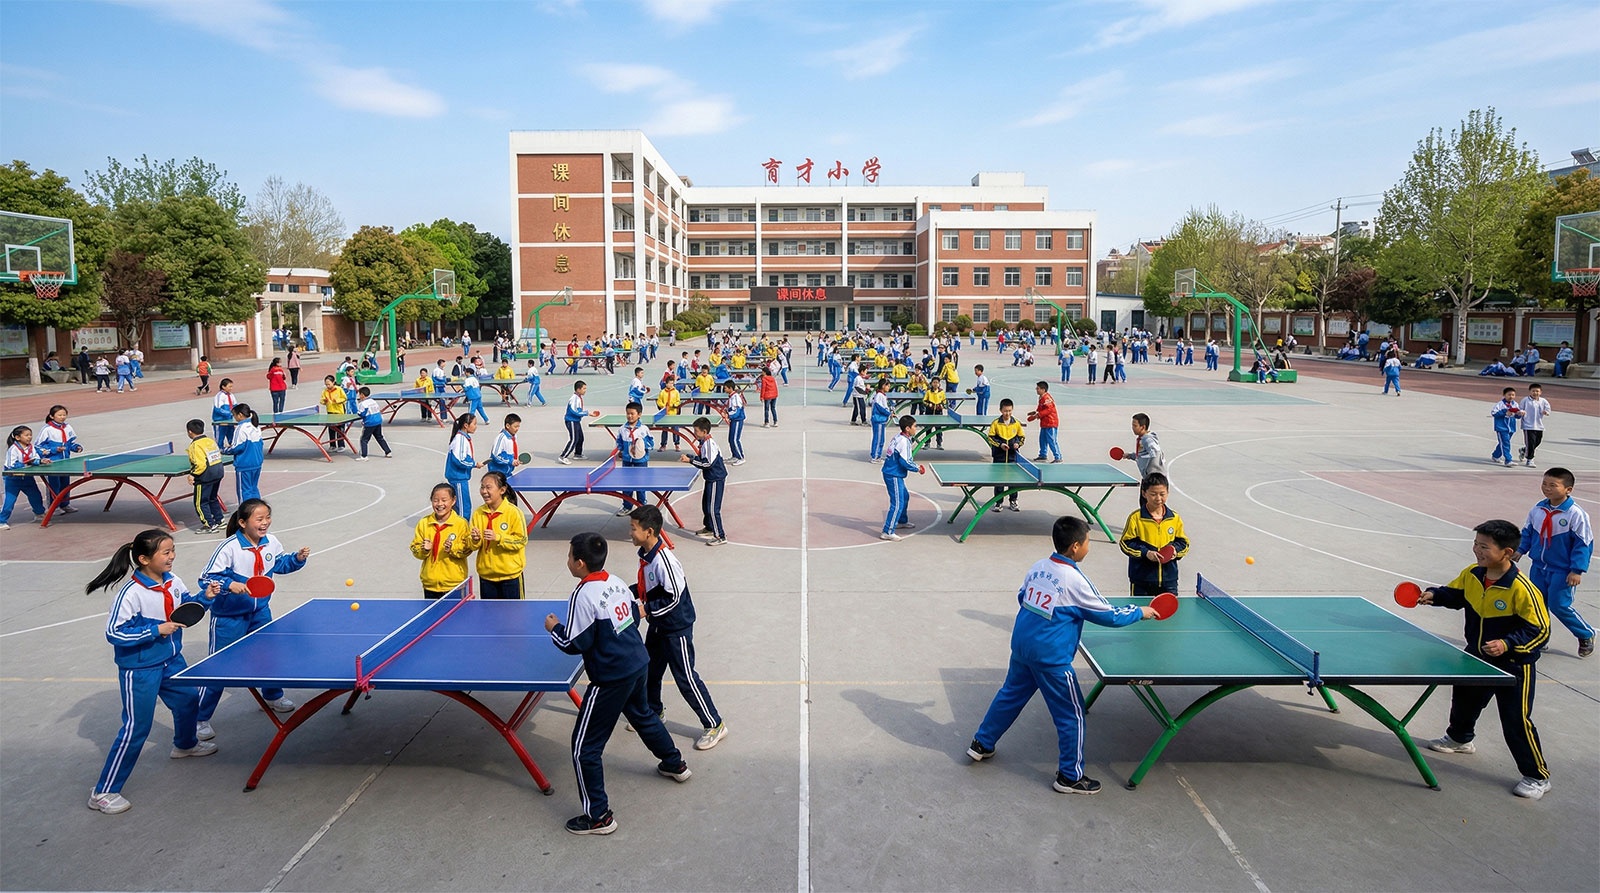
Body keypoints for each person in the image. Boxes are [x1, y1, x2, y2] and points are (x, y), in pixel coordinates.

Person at [966, 515, 1158, 794]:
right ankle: (1069, 776)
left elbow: (1023, 597)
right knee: (1073, 715)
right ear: (1076, 547)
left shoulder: (1039, 566)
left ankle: (981, 743)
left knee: (1009, 696)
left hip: (1022, 647)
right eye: (1088, 542)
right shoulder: (1075, 580)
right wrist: (1140, 612)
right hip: (1051, 658)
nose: (1089, 546)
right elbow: (1108, 616)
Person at [545, 531, 691, 835]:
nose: (568, 560)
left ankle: (598, 816)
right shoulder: (616, 583)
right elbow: (631, 621)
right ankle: (674, 763)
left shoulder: (582, 595)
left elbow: (575, 642)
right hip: (638, 664)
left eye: (570, 555)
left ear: (580, 563)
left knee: (585, 748)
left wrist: (554, 627)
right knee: (644, 716)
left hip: (610, 678)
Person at [85, 529, 221, 814]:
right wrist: (154, 630)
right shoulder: (131, 594)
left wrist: (205, 597)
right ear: (144, 559)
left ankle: (184, 745)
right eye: (166, 552)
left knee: (187, 702)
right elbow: (115, 633)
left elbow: (187, 608)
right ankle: (103, 791)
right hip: (140, 669)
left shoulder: (173, 582)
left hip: (171, 661)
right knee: (137, 728)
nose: (172, 557)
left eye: (173, 550)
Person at [1418, 519, 1552, 799]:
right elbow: (1455, 594)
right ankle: (1460, 739)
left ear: (1506, 553)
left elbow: (1540, 630)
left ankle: (1537, 776)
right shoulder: (1473, 574)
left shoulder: (1521, 588)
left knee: (1516, 720)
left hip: (1514, 665)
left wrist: (1507, 643)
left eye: (1484, 546)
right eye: (1476, 544)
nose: (1477, 550)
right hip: (1477, 655)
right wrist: (1434, 595)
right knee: (1465, 700)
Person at [196, 499, 310, 736]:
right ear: (242, 522)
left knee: (268, 656)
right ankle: (199, 718)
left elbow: (280, 564)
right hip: (229, 617)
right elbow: (206, 578)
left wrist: (297, 559)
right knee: (219, 667)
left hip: (260, 612)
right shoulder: (229, 548)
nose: (265, 522)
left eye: (267, 517)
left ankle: (272, 695)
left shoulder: (271, 542)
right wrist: (229, 584)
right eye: (259, 519)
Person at [628, 505, 727, 750]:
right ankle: (654, 710)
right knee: (650, 670)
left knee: (686, 678)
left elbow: (673, 598)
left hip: (676, 628)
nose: (630, 533)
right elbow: (648, 587)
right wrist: (627, 593)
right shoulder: (646, 554)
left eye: (633, 529)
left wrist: (646, 610)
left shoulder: (665, 561)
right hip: (659, 626)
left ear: (649, 532)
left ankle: (714, 724)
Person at [1517, 468, 1593, 658]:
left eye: (1553, 485)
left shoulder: (1575, 514)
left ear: (1568, 489)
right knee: (1536, 604)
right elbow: (1527, 532)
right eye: (1544, 484)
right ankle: (1540, 638)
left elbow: (1583, 544)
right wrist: (1519, 550)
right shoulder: (1538, 509)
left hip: (1562, 570)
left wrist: (1577, 570)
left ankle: (1585, 634)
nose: (1547, 488)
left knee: (1559, 605)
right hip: (1538, 567)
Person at [1118, 473, 1188, 598]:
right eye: (1153, 494)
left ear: (1167, 493)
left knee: (1169, 615)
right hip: (1142, 580)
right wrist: (1146, 553)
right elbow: (1125, 543)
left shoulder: (1174, 518)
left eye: (1162, 494)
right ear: (1144, 494)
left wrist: (1175, 552)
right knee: (1141, 614)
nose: (1158, 498)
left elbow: (1183, 543)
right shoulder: (1136, 518)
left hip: (1169, 579)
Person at [468, 471, 528, 599]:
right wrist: (474, 539)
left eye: (488, 487)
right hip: (486, 577)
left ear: (502, 490)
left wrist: (499, 538)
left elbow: (521, 540)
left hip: (510, 577)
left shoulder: (514, 513)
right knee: (490, 617)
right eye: (482, 487)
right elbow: (472, 546)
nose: (484, 491)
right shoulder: (478, 513)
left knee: (514, 617)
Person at [410, 483, 473, 599]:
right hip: (430, 584)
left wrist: (452, 548)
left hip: (454, 584)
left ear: (453, 501)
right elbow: (415, 548)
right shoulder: (424, 523)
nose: (439, 504)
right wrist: (424, 550)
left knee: (457, 617)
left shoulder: (461, 524)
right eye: (435, 500)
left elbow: (467, 549)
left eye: (444, 500)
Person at [680, 417, 727, 546]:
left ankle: (720, 536)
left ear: (704, 432)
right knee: (705, 504)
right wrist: (692, 457)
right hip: (710, 478)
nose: (695, 433)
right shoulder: (704, 443)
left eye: (696, 431)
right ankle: (709, 527)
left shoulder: (709, 444)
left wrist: (690, 461)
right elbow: (702, 458)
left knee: (713, 509)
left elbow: (707, 464)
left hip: (716, 478)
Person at [879, 415, 926, 541]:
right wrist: (918, 468)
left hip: (894, 473)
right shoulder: (903, 441)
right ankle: (887, 531)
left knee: (904, 496)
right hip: (893, 474)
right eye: (914, 426)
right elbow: (905, 461)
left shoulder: (900, 437)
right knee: (897, 503)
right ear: (907, 428)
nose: (916, 429)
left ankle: (901, 521)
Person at [0, 425, 50, 530]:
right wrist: (26, 464)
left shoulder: (31, 447)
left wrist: (40, 461)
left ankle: (39, 513)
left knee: (36, 496)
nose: (29, 437)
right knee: (10, 501)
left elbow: (35, 458)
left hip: (27, 478)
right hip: (13, 479)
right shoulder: (13, 449)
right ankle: (2, 521)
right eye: (26, 435)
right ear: (18, 437)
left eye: (30, 435)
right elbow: (11, 465)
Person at [38, 405, 83, 515]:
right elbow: (38, 447)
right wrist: (54, 450)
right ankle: (54, 507)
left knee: (65, 484)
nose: (62, 417)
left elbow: (70, 444)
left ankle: (65, 504)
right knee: (54, 485)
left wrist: (76, 447)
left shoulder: (68, 427)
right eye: (59, 415)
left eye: (64, 415)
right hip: (52, 463)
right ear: (52, 416)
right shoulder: (47, 429)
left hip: (66, 462)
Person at [185, 419, 226, 533]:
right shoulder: (210, 441)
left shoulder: (195, 445)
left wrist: (193, 474)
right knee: (213, 498)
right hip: (217, 472)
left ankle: (209, 525)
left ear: (190, 432)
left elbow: (200, 464)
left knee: (200, 502)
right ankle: (220, 520)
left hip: (205, 477)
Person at [985, 399, 1025, 513]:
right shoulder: (996, 423)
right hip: (999, 456)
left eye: (1009, 411)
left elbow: (1022, 437)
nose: (1007, 413)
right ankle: (998, 502)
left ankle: (1013, 501)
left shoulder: (1016, 423)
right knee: (999, 481)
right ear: (1001, 410)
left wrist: (1018, 444)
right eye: (1005, 411)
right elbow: (991, 438)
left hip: (1013, 457)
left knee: (1013, 481)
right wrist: (1000, 445)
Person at [615, 402, 654, 516]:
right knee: (626, 484)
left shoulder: (644, 429)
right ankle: (627, 506)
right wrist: (621, 450)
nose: (630, 416)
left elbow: (651, 444)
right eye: (628, 414)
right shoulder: (622, 429)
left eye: (632, 413)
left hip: (641, 462)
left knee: (640, 484)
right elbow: (619, 442)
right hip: (627, 461)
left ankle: (641, 505)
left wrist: (640, 446)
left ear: (639, 414)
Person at [223, 404, 263, 502]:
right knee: (253, 488)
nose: (234, 418)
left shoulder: (241, 428)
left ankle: (244, 513)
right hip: (257, 463)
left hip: (245, 464)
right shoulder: (255, 426)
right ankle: (256, 509)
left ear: (240, 415)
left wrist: (223, 450)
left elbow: (236, 448)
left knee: (244, 491)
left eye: (234, 415)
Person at [444, 414, 483, 515]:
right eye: (474, 424)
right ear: (466, 425)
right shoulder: (460, 439)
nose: (476, 426)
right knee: (463, 507)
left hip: (459, 477)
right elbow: (459, 460)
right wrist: (474, 464)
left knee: (458, 506)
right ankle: (463, 528)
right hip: (458, 477)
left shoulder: (463, 438)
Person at [1514, 384, 1550, 468]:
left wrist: (1546, 412)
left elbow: (1548, 409)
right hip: (1528, 425)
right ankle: (1530, 459)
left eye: (1537, 391)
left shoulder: (1543, 401)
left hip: (1539, 425)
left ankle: (1523, 450)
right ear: (1530, 391)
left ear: (1540, 392)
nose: (1535, 393)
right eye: (1533, 391)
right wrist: (1521, 412)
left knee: (1537, 441)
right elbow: (1520, 409)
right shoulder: (1525, 400)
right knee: (1531, 443)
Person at [1122, 413, 1167, 479]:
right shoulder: (1142, 439)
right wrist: (1130, 455)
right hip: (1147, 477)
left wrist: (1151, 473)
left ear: (1143, 427)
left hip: (1154, 478)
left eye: (1135, 426)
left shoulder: (1148, 440)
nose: (1132, 428)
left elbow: (1156, 454)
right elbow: (1143, 455)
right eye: (1132, 425)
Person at [353, 387, 392, 460]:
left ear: (362, 395)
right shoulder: (373, 401)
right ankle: (388, 452)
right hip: (378, 421)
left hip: (370, 422)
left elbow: (362, 414)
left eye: (359, 394)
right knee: (379, 437)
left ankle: (364, 456)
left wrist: (358, 411)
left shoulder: (363, 404)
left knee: (364, 439)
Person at [1027, 382, 1061, 463]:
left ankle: (1058, 457)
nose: (1036, 389)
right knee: (1042, 439)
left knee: (1052, 440)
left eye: (1038, 388)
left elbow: (1049, 410)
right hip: (1044, 423)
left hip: (1051, 423)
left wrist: (1038, 415)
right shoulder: (1041, 398)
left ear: (1043, 389)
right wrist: (1034, 412)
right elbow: (1040, 409)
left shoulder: (1047, 398)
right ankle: (1043, 455)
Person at [559, 381, 591, 465]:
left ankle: (578, 454)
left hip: (576, 420)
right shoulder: (574, 399)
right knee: (574, 439)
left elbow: (578, 411)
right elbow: (574, 412)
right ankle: (563, 456)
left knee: (580, 438)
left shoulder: (578, 397)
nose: (585, 390)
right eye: (584, 388)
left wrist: (584, 413)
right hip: (571, 420)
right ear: (578, 389)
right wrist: (587, 413)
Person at [1489, 387, 1521, 467]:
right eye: (1509, 394)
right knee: (1506, 443)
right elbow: (1494, 413)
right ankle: (1508, 460)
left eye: (1513, 395)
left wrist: (1519, 414)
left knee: (1503, 443)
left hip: (1511, 427)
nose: (1511, 396)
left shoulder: (1515, 404)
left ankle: (1496, 455)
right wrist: (1504, 412)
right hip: (1501, 427)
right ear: (1504, 395)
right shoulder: (1500, 404)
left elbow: (1516, 416)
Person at [486, 413, 522, 478]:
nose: (517, 429)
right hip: (497, 474)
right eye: (515, 426)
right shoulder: (501, 438)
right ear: (508, 426)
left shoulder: (513, 437)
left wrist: (514, 461)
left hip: (507, 473)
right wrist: (511, 461)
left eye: (518, 426)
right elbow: (496, 456)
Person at [655, 378, 684, 450]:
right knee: (665, 430)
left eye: (672, 383)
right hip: (665, 415)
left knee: (676, 430)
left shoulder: (676, 392)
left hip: (673, 414)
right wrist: (663, 406)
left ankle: (677, 444)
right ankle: (663, 445)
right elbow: (659, 401)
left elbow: (678, 401)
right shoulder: (662, 392)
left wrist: (674, 405)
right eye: (670, 383)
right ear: (666, 384)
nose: (671, 385)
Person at [868, 380, 892, 463]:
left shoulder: (882, 395)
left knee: (881, 439)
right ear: (883, 386)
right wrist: (889, 413)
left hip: (881, 420)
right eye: (888, 386)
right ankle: (874, 456)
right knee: (878, 439)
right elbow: (880, 408)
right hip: (878, 420)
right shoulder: (879, 395)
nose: (889, 387)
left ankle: (878, 455)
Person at [723, 381, 746, 466]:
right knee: (730, 439)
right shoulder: (731, 397)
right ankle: (735, 455)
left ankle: (741, 457)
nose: (724, 389)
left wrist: (728, 415)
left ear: (730, 388)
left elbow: (736, 411)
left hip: (737, 420)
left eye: (725, 388)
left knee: (735, 439)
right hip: (733, 420)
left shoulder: (735, 397)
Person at [212, 379, 238, 448]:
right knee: (220, 438)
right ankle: (219, 450)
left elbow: (235, 406)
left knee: (231, 436)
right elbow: (217, 409)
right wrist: (229, 413)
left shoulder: (231, 395)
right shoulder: (219, 396)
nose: (231, 388)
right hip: (220, 421)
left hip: (229, 420)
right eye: (229, 386)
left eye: (232, 386)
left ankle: (232, 448)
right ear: (223, 386)